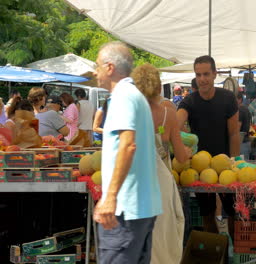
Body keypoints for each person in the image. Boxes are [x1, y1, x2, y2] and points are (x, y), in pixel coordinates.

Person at [92, 41, 162, 264]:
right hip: (140, 207)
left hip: (126, 209)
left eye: (97, 66)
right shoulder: (134, 96)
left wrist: (110, 196)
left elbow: (128, 145)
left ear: (110, 67)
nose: (95, 72)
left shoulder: (123, 96)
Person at [131, 63, 190, 264]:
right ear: (158, 87)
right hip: (160, 182)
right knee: (164, 241)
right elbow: (181, 157)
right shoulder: (168, 113)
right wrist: (188, 152)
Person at [177, 55, 239, 236]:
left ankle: (234, 253)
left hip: (225, 164)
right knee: (207, 213)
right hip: (200, 167)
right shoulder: (189, 101)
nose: (202, 79)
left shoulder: (227, 98)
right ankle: (216, 251)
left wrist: (235, 161)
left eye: (206, 74)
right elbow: (176, 124)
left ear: (214, 74)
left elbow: (234, 133)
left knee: (233, 213)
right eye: (198, 75)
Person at [237, 92, 252, 159]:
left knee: (241, 166)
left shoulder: (240, 110)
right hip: (246, 142)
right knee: (245, 166)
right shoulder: (246, 109)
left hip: (241, 143)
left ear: (239, 100)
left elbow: (238, 127)